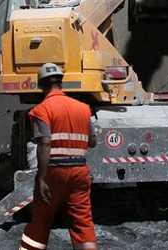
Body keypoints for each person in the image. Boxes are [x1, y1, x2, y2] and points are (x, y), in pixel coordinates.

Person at [19, 63, 98, 250]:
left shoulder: (41, 110)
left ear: (41, 86)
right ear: (62, 83)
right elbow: (92, 141)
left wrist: (41, 178)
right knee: (82, 223)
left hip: (54, 173)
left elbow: (45, 143)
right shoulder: (83, 108)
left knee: (40, 222)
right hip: (80, 173)